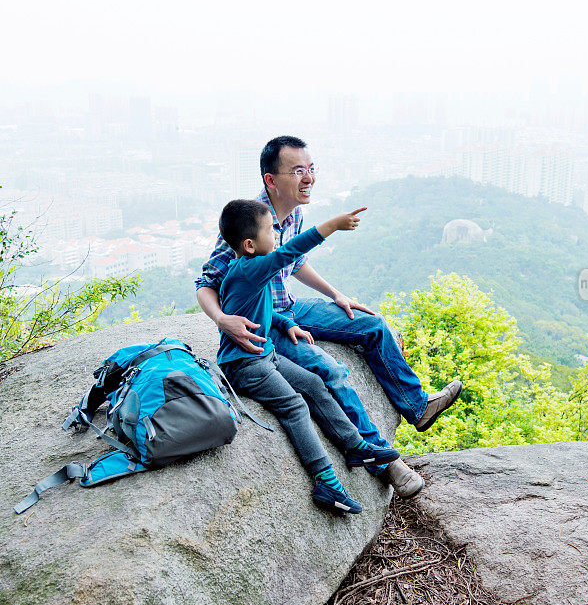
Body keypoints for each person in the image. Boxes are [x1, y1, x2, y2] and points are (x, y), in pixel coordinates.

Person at [196, 136, 462, 498]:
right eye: (298, 171)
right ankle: (386, 463)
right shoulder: (250, 221)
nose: (308, 178)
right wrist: (222, 320)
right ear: (271, 180)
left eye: (311, 169)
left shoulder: (293, 213)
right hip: (263, 325)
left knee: (370, 324)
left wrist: (336, 295)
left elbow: (295, 262)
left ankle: (417, 406)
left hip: (291, 308)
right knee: (329, 371)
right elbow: (207, 282)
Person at [216, 198, 402, 515]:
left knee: (315, 384)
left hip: (267, 356)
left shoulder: (247, 272)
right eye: (269, 231)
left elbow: (254, 312)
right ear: (249, 244)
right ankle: (327, 482)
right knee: (294, 405)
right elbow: (292, 251)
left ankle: (356, 447)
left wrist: (288, 324)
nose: (276, 236)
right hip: (244, 365)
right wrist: (332, 225)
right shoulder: (249, 269)